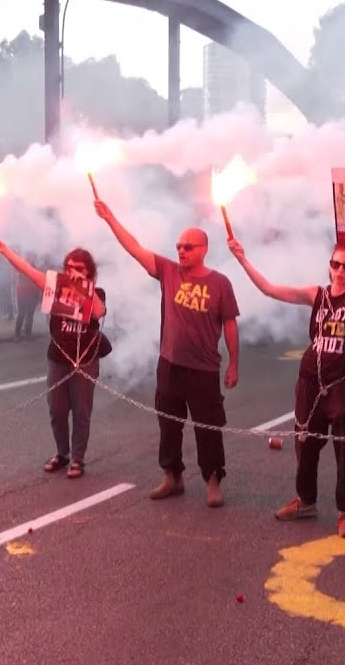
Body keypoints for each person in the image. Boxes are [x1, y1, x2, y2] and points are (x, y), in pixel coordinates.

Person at [230, 236, 345, 538]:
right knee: (305, 444)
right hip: (309, 382)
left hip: (341, 385)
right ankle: (306, 500)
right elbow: (270, 290)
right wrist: (242, 258)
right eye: (335, 264)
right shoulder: (317, 294)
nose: (339, 270)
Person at [95, 198, 240, 507]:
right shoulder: (169, 271)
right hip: (170, 365)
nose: (181, 250)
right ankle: (172, 476)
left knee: (208, 427)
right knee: (168, 424)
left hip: (204, 370)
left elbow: (230, 324)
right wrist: (110, 217)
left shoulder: (220, 283)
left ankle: (213, 479)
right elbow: (134, 247)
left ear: (203, 249)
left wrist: (233, 364)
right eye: (178, 245)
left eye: (188, 246)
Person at [0, 237, 108, 479]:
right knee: (57, 410)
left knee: (81, 411)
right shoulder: (55, 287)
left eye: (79, 268)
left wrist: (83, 285)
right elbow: (31, 272)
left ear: (89, 272)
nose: (72, 272)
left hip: (84, 360)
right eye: (69, 267)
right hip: (58, 358)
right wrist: (5, 251)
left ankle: (78, 458)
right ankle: (62, 453)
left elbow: (98, 312)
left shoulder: (96, 292)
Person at [14, 255, 39, 340]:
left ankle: (24, 333)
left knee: (28, 314)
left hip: (28, 294)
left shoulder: (23, 267)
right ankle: (20, 334)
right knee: (23, 314)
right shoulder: (25, 268)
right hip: (25, 294)